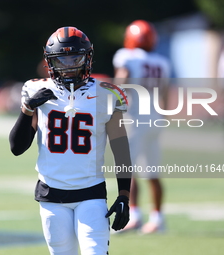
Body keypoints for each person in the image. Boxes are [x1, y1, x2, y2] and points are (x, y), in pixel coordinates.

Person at [9, 26, 132, 255]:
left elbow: (121, 149)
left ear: (87, 58)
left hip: (91, 193)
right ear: (49, 62)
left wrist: (124, 194)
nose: (68, 66)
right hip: (51, 196)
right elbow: (17, 148)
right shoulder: (37, 90)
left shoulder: (108, 93)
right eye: (61, 60)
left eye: (74, 58)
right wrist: (27, 109)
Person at [112, 20, 171, 234]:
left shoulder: (127, 58)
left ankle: (132, 216)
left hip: (135, 120)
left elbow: (121, 83)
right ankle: (157, 218)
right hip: (154, 119)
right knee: (152, 171)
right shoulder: (161, 62)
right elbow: (165, 93)